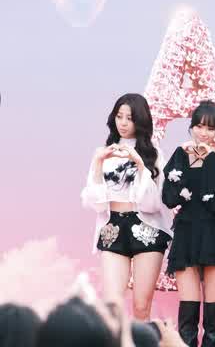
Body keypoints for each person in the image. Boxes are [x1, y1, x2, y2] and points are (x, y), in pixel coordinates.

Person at [81, 93, 172, 320]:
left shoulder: (154, 154)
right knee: (112, 305)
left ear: (140, 121)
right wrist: (98, 163)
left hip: (147, 229)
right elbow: (94, 203)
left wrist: (140, 164)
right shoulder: (103, 153)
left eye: (129, 118)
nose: (122, 123)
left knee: (141, 307)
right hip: (113, 227)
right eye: (119, 116)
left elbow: (153, 204)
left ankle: (142, 338)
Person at [162, 100, 215, 347]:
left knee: (213, 321)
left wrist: (211, 157)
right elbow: (169, 198)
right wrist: (181, 159)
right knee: (188, 318)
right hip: (187, 234)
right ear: (191, 127)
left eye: (210, 128)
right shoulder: (181, 154)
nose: (203, 133)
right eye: (199, 126)